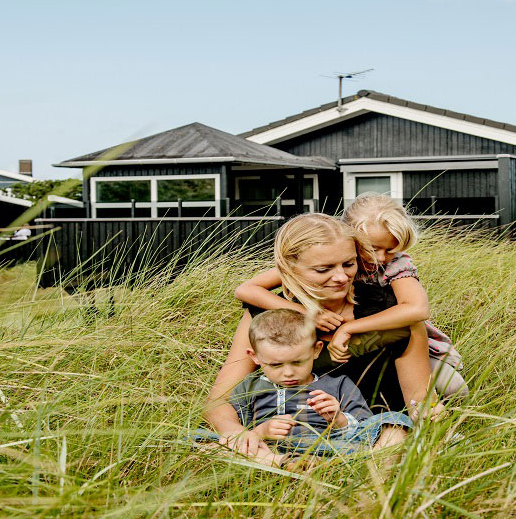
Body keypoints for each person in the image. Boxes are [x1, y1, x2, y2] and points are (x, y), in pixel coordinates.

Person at [205, 213, 432, 460]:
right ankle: (286, 464)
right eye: (323, 269)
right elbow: (218, 401)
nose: (341, 277)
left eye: (348, 264)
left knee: (395, 432)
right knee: (206, 443)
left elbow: (419, 398)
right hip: (285, 433)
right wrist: (237, 432)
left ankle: (367, 485)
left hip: (369, 431)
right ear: (288, 269)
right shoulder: (266, 316)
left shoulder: (390, 310)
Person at [198, 308, 411, 468]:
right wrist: (261, 432)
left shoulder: (336, 383)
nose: (288, 373)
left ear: (317, 350)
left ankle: (376, 478)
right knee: (203, 442)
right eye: (276, 365)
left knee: (393, 423)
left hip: (331, 445)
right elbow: (240, 428)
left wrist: (339, 419)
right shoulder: (251, 386)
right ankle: (284, 463)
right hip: (272, 448)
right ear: (254, 357)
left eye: (298, 362)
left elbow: (364, 425)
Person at [341, 192, 468, 398]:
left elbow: (417, 308)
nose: (381, 257)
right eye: (372, 249)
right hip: (357, 346)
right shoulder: (335, 259)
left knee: (455, 389)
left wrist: (350, 327)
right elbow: (272, 281)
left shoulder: (395, 264)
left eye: (390, 249)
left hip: (402, 339)